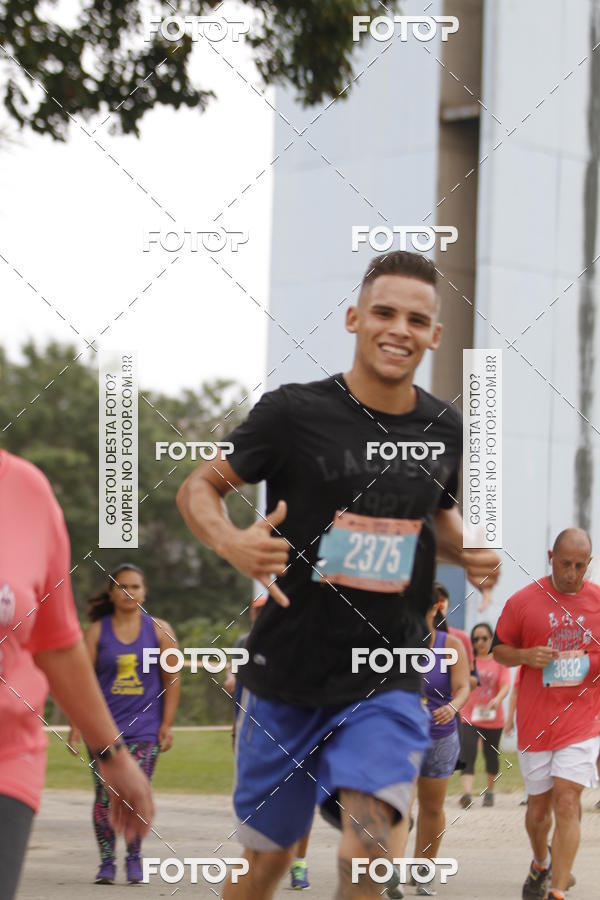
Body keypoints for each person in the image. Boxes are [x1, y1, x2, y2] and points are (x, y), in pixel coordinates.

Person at [176, 250, 501, 899]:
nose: (398, 328)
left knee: (371, 841)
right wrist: (233, 543)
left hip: (387, 677)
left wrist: (470, 552)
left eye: (417, 318)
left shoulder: (445, 431)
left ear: (434, 334)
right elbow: (197, 489)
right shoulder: (293, 413)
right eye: (384, 312)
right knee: (266, 862)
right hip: (288, 673)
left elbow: (430, 520)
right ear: (355, 318)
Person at [0, 450, 153, 900]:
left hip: (6, 756)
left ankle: (124, 861)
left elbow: (56, 645)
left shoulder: (26, 491)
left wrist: (112, 755)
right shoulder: (99, 631)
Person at [493, 528, 600, 900]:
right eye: (565, 563)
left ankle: (557, 890)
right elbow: (499, 650)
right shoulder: (524, 601)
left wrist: (588, 662)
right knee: (539, 811)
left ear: (589, 564)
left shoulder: (599, 602)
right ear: (550, 555)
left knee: (568, 800)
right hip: (537, 722)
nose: (572, 572)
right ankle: (541, 861)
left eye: (580, 566)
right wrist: (525, 656)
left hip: (582, 719)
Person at [68, 563, 179, 884]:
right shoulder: (97, 632)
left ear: (145, 592)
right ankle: (106, 862)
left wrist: (167, 724)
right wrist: (77, 723)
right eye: (123, 586)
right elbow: (80, 680)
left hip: (145, 729)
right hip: (102, 729)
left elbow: (172, 680)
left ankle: (133, 858)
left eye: (136, 587)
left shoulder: (160, 630)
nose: (130, 592)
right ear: (112, 592)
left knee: (134, 793)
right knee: (104, 796)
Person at [387, 595, 470, 898]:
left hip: (440, 736)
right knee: (401, 801)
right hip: (404, 735)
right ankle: (392, 871)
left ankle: (423, 872)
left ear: (435, 608)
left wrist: (453, 706)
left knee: (432, 807)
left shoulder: (451, 646)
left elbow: (463, 687)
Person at [459, 623, 510, 808]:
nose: (479, 642)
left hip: (493, 717)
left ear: (491, 639)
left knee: (491, 756)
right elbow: (459, 683)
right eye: (475, 639)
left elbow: (505, 685)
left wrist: (498, 698)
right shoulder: (468, 661)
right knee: (467, 753)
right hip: (469, 716)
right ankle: (466, 794)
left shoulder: (499, 661)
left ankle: (489, 791)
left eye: (484, 638)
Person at [505, 666, 528, 805]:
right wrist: (509, 719)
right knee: (525, 754)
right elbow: (515, 692)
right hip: (527, 719)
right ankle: (529, 791)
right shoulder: (523, 667)